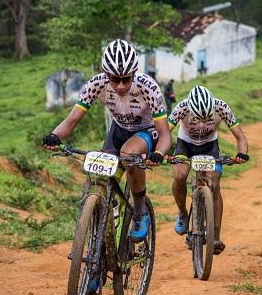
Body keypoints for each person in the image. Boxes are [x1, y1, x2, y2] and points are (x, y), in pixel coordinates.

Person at [42, 39, 171, 241]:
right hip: (118, 130)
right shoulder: (96, 84)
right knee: (100, 175)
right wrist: (54, 135)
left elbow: (164, 134)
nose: (120, 85)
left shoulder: (148, 87)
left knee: (129, 154)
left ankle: (140, 212)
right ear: (106, 74)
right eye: (114, 79)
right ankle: (101, 246)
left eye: (126, 79)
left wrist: (159, 153)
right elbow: (72, 120)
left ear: (134, 74)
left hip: (146, 131)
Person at [168, 85, 249, 255]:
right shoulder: (182, 108)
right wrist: (159, 152)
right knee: (180, 175)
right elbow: (165, 132)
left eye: (206, 118)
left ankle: (215, 236)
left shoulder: (221, 107)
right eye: (198, 118)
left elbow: (240, 136)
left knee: (215, 183)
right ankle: (183, 213)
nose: (202, 122)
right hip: (185, 145)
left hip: (209, 146)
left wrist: (242, 153)